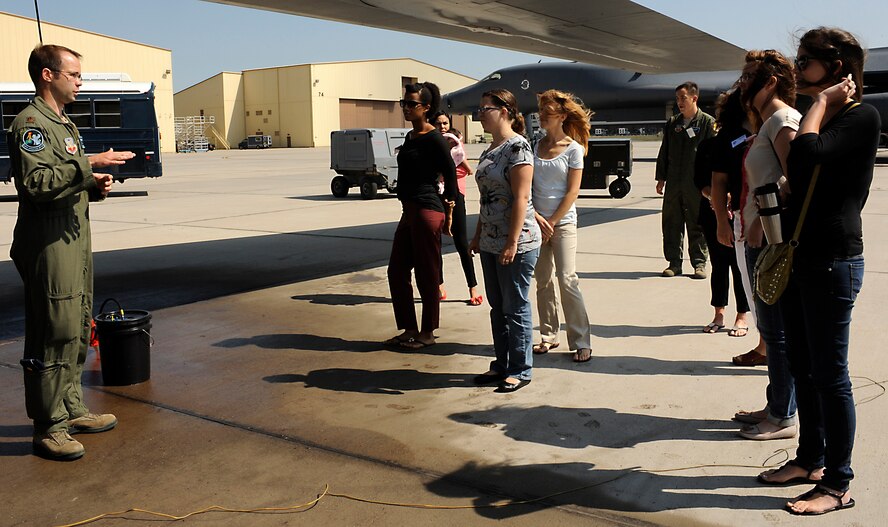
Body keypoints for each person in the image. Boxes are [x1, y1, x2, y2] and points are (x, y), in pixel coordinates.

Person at [10, 45, 135, 461]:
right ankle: (49, 427)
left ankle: (71, 406)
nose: (80, 82)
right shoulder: (31, 123)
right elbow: (35, 184)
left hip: (73, 237)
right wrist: (87, 163)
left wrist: (92, 185)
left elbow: (63, 180)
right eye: (75, 75)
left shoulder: (64, 124)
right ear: (48, 76)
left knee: (77, 324)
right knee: (53, 332)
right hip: (48, 242)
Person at [778, 28, 880, 515]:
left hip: (835, 259)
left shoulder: (861, 116)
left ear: (836, 68)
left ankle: (837, 484)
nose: (796, 71)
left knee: (832, 376)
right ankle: (809, 461)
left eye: (805, 62)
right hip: (802, 253)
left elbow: (807, 154)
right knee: (803, 365)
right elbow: (799, 170)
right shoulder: (828, 116)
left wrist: (817, 106)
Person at [735, 49, 801, 442]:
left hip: (771, 241)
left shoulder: (781, 120)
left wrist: (760, 220)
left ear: (770, 81)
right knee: (772, 330)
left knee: (777, 334)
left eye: (748, 77)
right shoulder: (769, 121)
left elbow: (795, 179)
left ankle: (782, 417)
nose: (743, 84)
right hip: (760, 237)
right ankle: (776, 404)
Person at [469, 89, 540, 392]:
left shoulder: (518, 148)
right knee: (497, 307)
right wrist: (476, 235)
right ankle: (501, 364)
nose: (480, 115)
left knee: (516, 305)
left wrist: (512, 241)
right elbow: (488, 199)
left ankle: (520, 369)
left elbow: (521, 198)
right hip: (489, 240)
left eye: (485, 109)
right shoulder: (489, 150)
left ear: (505, 111)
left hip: (518, 242)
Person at [384, 82, 457, 350]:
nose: (406, 108)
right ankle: (409, 328)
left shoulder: (435, 138)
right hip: (409, 211)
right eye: (404, 103)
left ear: (426, 108)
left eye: (411, 104)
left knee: (427, 272)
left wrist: (449, 211)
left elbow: (450, 173)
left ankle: (427, 332)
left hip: (427, 211)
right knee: (396, 270)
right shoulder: (411, 137)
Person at [530, 89, 593, 363]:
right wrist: (535, 218)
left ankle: (581, 340)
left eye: (548, 112)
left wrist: (552, 222)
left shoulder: (574, 150)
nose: (542, 116)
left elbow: (572, 192)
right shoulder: (534, 145)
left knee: (567, 279)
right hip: (536, 223)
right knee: (542, 281)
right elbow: (527, 185)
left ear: (563, 116)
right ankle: (548, 335)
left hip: (562, 223)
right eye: (541, 111)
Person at [694, 130, 751, 338]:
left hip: (740, 210)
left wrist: (731, 196)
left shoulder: (746, 141)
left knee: (739, 266)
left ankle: (742, 315)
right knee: (719, 264)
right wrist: (714, 196)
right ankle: (719, 313)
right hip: (711, 213)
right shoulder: (707, 146)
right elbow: (699, 179)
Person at [655, 82, 715, 279]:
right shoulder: (673, 123)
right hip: (674, 182)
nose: (679, 102)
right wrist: (661, 178)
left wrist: (712, 183)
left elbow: (713, 156)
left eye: (683, 98)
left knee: (697, 222)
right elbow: (664, 151)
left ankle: (699, 263)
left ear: (694, 98)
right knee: (672, 222)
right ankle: (674, 263)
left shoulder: (707, 123)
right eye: (677, 99)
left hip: (696, 183)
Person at [431, 112, 482, 306]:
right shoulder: (431, 144)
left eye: (445, 123)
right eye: (438, 123)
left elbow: (463, 168)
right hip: (436, 195)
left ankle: (473, 287)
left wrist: (450, 174)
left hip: (456, 195)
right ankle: (439, 285)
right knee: (435, 244)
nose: (442, 126)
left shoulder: (455, 143)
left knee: (461, 242)